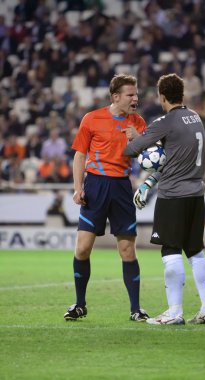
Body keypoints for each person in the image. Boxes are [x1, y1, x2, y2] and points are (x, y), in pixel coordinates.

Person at [124, 73, 205, 325]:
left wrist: (134, 137)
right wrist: (150, 179)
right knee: (196, 251)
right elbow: (175, 156)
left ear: (162, 97)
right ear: (182, 95)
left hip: (173, 196)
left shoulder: (165, 121)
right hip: (197, 195)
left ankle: (174, 312)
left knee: (170, 249)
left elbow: (131, 150)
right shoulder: (195, 118)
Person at [64, 74, 149, 322]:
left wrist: (139, 140)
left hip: (122, 187)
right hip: (96, 185)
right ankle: (80, 305)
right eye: (130, 94)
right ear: (115, 97)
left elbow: (146, 157)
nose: (135, 98)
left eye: (136, 94)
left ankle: (136, 309)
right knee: (82, 248)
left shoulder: (139, 122)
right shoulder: (92, 119)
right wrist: (78, 188)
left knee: (127, 250)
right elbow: (80, 155)